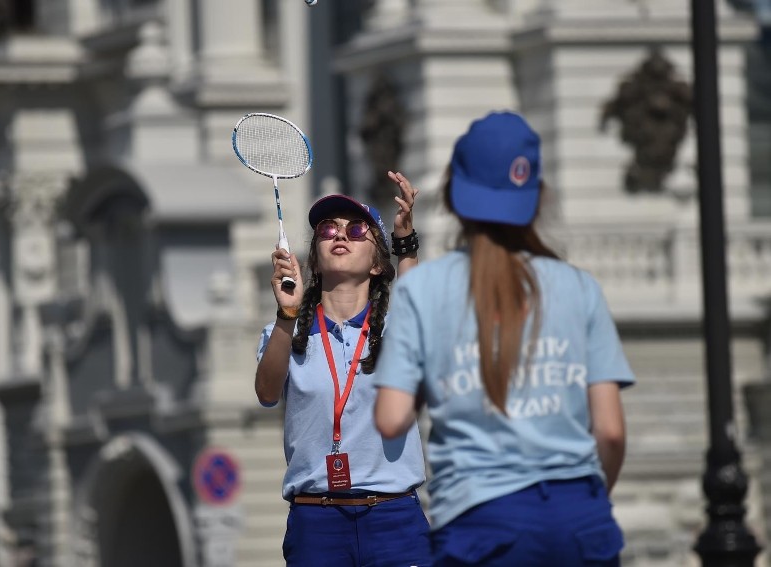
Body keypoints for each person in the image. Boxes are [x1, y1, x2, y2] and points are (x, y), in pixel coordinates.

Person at [373, 111, 634, 566]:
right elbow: (610, 433)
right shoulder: (579, 287)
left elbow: (392, 420)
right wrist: (589, 506)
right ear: (536, 198)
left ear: (452, 197)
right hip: (580, 521)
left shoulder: (423, 288)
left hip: (481, 524)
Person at [255, 171, 432, 566]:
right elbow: (266, 393)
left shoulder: (396, 326)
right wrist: (288, 312)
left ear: (376, 265)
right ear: (314, 259)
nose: (339, 235)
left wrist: (406, 242)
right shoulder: (287, 328)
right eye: (327, 230)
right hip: (317, 520)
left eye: (355, 230)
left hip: (393, 517)